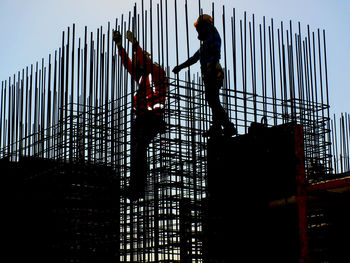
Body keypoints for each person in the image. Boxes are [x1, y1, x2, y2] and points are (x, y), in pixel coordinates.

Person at [113, 29, 168, 199]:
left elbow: (144, 63)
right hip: (141, 119)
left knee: (140, 150)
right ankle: (134, 187)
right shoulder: (143, 76)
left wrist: (135, 43)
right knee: (136, 152)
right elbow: (128, 65)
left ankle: (138, 189)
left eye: (140, 61)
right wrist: (120, 46)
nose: (137, 64)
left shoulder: (157, 72)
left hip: (153, 120)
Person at [173, 14, 236, 137]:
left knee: (213, 100)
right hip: (208, 73)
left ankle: (227, 125)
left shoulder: (213, 36)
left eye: (199, 29)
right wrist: (180, 67)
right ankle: (217, 126)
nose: (198, 32)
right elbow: (194, 58)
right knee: (212, 100)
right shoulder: (205, 44)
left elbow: (214, 52)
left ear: (205, 26)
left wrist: (210, 66)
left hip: (212, 71)